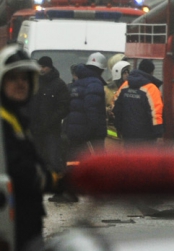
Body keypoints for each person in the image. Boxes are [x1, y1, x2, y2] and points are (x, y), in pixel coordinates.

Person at [0, 45, 62, 250]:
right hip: (13, 224)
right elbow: (18, 169)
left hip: (24, 221)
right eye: (13, 78)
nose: (20, 84)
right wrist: (54, 180)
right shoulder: (4, 121)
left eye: (25, 79)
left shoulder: (16, 118)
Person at [27, 56, 70, 203]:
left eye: (44, 66)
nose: (41, 69)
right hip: (35, 130)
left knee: (54, 160)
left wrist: (50, 121)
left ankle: (62, 191)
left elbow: (64, 107)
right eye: (40, 66)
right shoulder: (33, 83)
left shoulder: (58, 85)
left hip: (51, 131)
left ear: (50, 67)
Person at [62, 53, 108, 157]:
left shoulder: (77, 83)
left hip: (74, 131)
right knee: (99, 162)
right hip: (90, 135)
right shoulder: (95, 83)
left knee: (76, 161)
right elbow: (92, 108)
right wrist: (93, 130)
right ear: (101, 69)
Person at [113, 59, 164, 143]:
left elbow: (116, 107)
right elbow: (156, 114)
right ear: (151, 72)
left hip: (127, 135)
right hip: (146, 138)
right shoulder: (152, 89)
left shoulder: (125, 85)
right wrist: (158, 134)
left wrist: (119, 127)